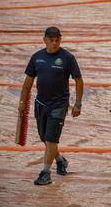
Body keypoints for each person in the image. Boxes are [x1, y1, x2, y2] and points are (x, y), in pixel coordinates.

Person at [18, 26, 83, 185]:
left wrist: (77, 104)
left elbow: (79, 81)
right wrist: (21, 102)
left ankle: (45, 173)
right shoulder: (36, 57)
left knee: (51, 139)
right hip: (40, 104)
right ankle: (60, 160)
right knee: (45, 139)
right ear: (44, 40)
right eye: (51, 40)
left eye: (57, 40)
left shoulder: (68, 58)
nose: (54, 43)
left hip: (59, 105)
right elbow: (27, 83)